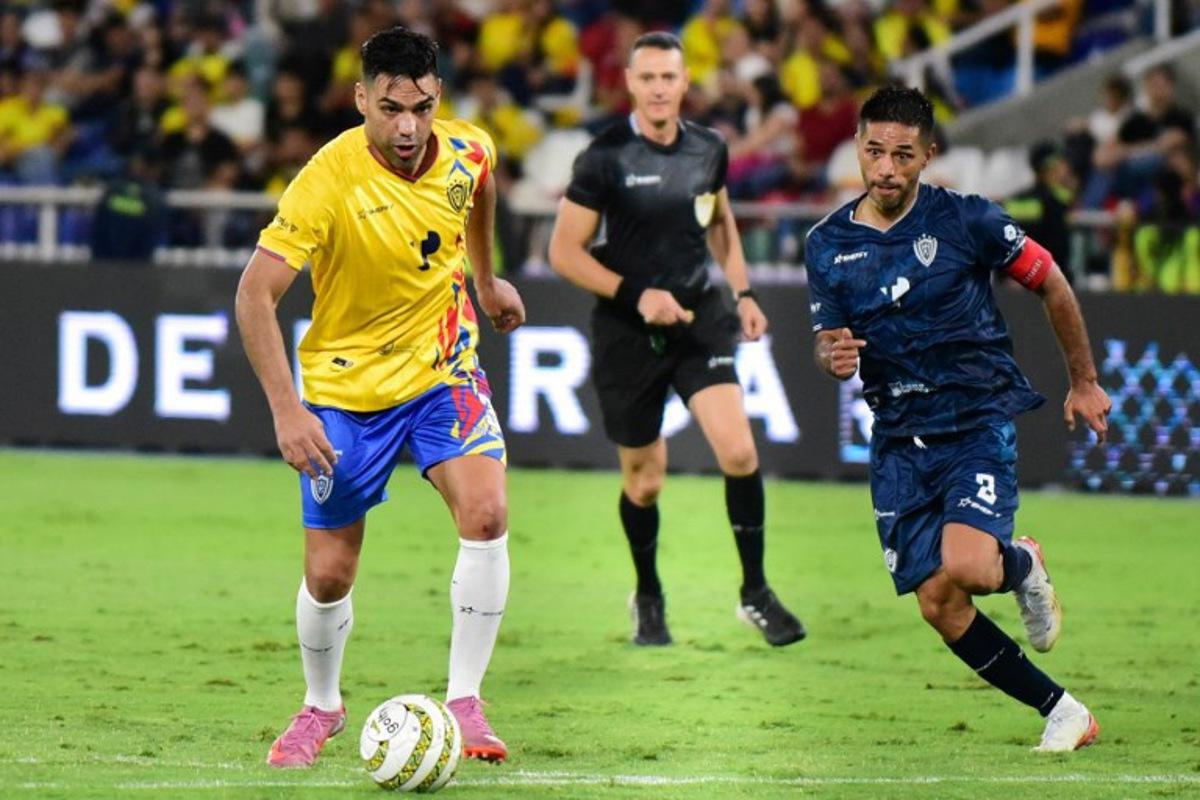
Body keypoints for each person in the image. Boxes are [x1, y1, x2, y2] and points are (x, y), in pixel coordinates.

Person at [235, 26, 525, 769]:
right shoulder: (325, 181)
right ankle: (322, 707)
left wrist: (485, 281)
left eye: (423, 108)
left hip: (442, 372)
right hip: (344, 390)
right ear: (362, 98)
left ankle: (464, 699)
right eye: (391, 107)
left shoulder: (468, 148)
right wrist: (286, 409)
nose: (407, 126)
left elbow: (481, 191)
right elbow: (253, 295)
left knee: (488, 513)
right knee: (330, 573)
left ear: (439, 101)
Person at [805, 86, 1111, 752]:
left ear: (928, 155)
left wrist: (1083, 381)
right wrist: (833, 357)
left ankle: (1019, 566)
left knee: (969, 567)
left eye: (903, 155)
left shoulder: (968, 220)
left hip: (974, 418)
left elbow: (1051, 281)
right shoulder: (826, 245)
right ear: (858, 147)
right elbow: (829, 343)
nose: (886, 169)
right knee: (939, 604)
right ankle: (1063, 711)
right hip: (897, 439)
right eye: (875, 152)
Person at [547, 32, 805, 648]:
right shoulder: (604, 156)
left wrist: (741, 294)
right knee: (645, 481)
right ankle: (648, 593)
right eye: (648, 78)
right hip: (628, 332)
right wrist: (637, 296)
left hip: (697, 318)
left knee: (739, 453)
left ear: (685, 84)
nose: (659, 88)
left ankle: (755, 592)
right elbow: (563, 253)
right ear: (631, 84)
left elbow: (719, 222)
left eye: (670, 78)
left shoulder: (709, 150)